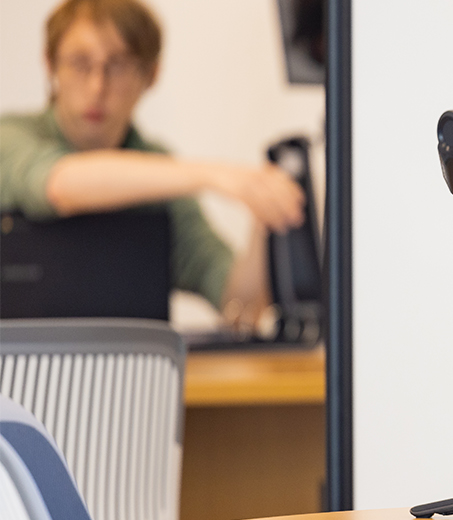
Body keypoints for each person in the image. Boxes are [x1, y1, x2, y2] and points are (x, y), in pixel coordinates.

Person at [0, 0, 303, 323]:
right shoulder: (12, 138)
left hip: (133, 372)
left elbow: (238, 304)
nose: (96, 86)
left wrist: (267, 214)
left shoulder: (160, 169)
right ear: (49, 65)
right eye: (79, 63)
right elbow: (58, 185)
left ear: (151, 74)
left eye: (117, 66)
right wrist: (214, 175)